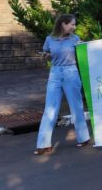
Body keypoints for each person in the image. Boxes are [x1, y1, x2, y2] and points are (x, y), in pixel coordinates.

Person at [34, 14, 91, 155]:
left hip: (71, 72)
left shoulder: (75, 39)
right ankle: (43, 144)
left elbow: (88, 49)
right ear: (63, 24)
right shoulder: (50, 39)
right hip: (55, 74)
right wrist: (45, 56)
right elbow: (47, 53)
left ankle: (83, 138)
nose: (74, 27)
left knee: (76, 106)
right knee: (50, 108)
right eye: (72, 24)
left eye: (74, 24)